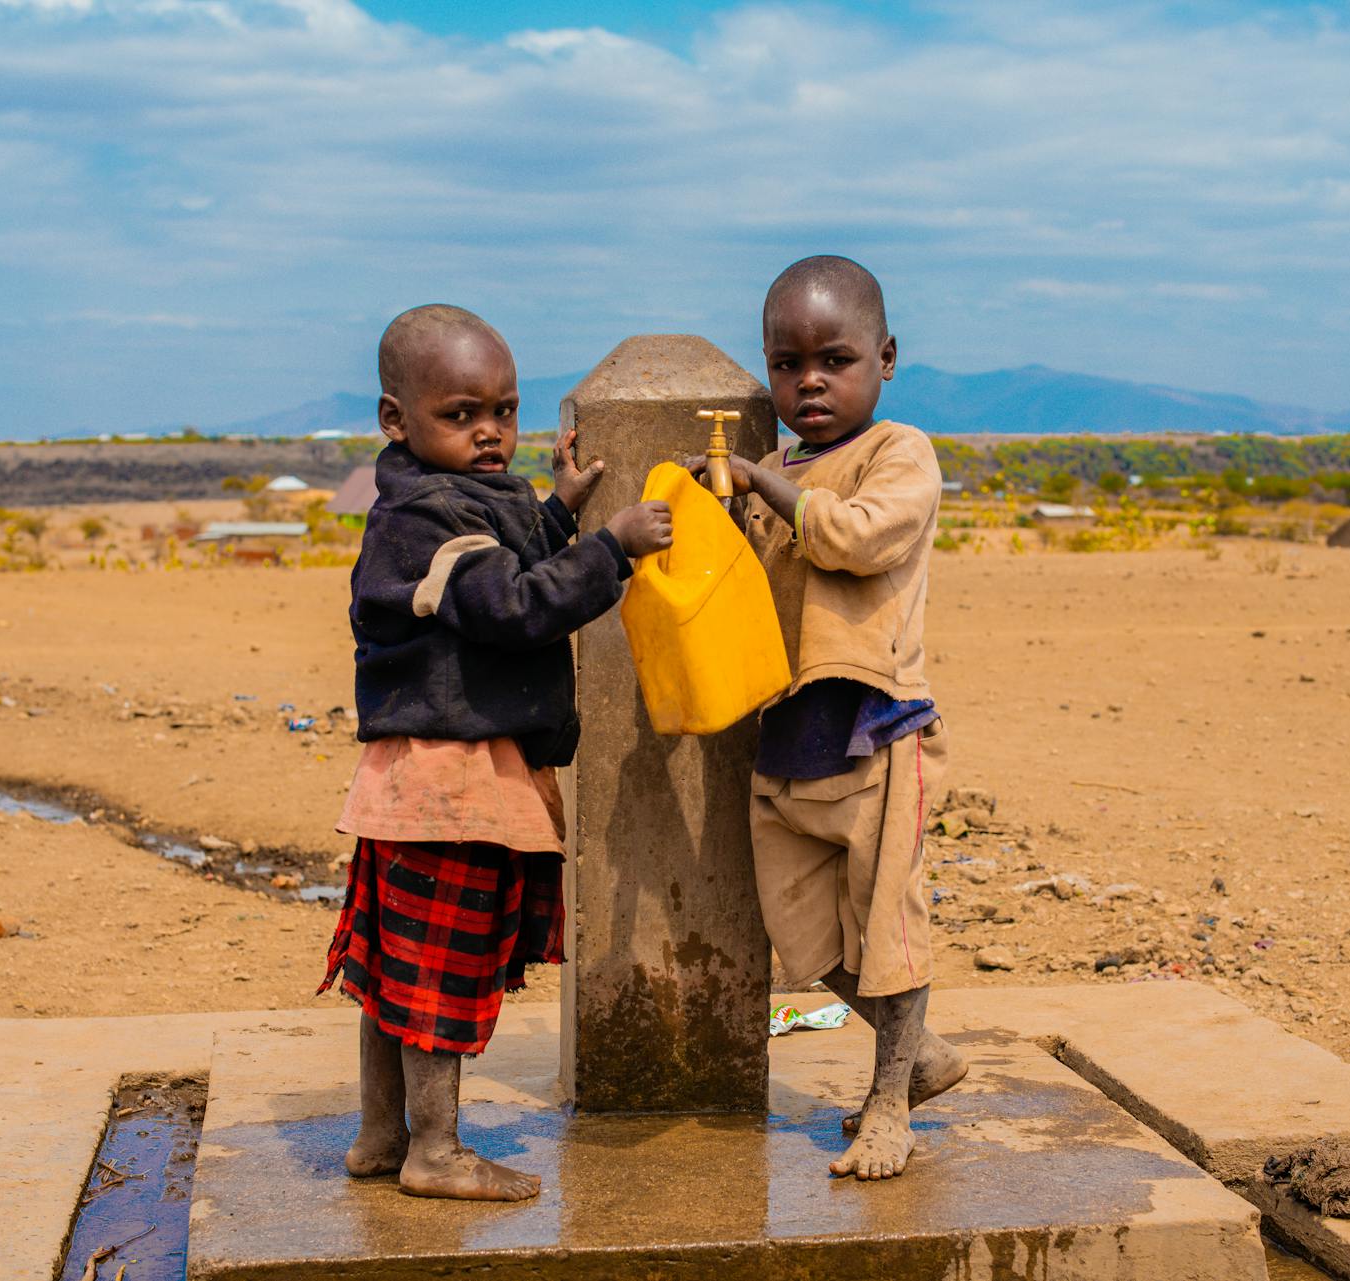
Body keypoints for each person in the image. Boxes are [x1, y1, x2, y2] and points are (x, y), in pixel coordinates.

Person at [319, 304, 672, 1201]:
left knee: (393, 967)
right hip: (452, 784)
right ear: (396, 419)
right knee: (438, 971)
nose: (490, 434)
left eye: (504, 413)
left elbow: (499, 572)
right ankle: (434, 1152)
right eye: (462, 414)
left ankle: (378, 1135)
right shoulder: (421, 518)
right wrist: (612, 549)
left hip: (421, 780)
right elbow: (511, 605)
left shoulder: (435, 499)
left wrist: (559, 509)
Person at [694, 255, 965, 1182]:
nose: (808, 380)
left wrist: (761, 487)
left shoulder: (900, 453)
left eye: (834, 358)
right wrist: (713, 511)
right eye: (786, 361)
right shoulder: (770, 472)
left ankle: (889, 1106)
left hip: (876, 729)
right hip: (786, 733)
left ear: (885, 359)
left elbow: (853, 537)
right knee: (803, 932)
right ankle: (918, 1050)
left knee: (888, 922)